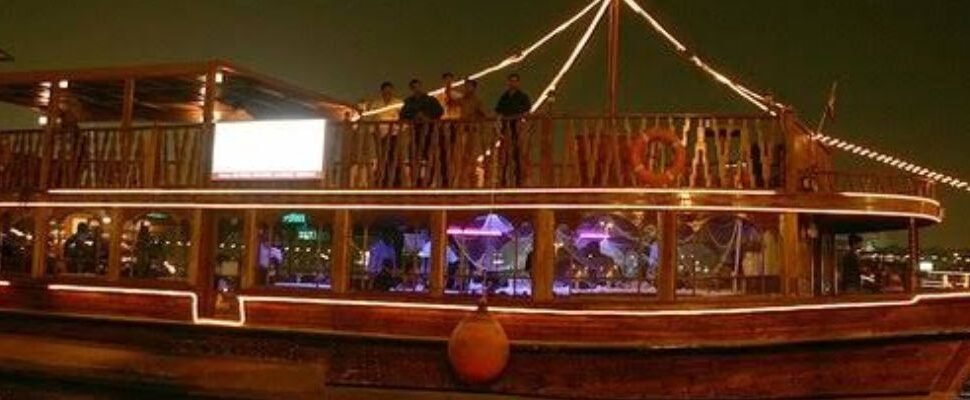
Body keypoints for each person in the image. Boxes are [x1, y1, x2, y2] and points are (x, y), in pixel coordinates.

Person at [400, 79, 444, 186]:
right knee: (414, 157)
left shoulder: (430, 100)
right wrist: (414, 117)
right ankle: (416, 181)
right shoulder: (409, 102)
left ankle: (427, 181)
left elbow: (439, 112)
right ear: (411, 89)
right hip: (415, 132)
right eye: (414, 88)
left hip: (429, 131)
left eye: (418, 87)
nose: (416, 89)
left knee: (429, 157)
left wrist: (427, 118)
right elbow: (403, 115)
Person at [362, 82, 403, 188]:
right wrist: (373, 131)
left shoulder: (398, 103)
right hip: (379, 135)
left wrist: (396, 129)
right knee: (381, 158)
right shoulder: (376, 104)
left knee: (393, 157)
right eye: (385, 91)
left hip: (394, 134)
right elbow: (369, 118)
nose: (387, 93)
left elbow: (404, 120)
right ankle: (382, 180)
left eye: (389, 91)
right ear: (382, 91)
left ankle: (395, 181)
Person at [494, 73, 532, 187]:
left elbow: (527, 111)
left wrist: (522, 123)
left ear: (518, 82)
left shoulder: (522, 96)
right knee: (504, 155)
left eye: (515, 81)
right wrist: (499, 127)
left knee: (517, 155)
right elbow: (498, 111)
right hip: (506, 128)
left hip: (518, 128)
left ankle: (519, 181)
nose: (513, 83)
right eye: (511, 81)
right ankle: (503, 180)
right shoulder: (504, 96)